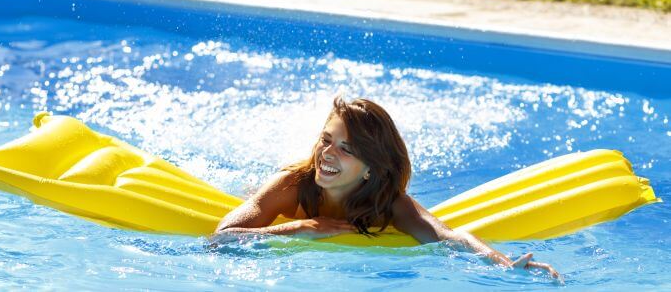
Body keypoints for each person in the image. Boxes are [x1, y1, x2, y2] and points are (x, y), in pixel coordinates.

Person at [215, 96, 561, 280]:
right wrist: (301, 228)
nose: (327, 153)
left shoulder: (389, 204)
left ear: (371, 169)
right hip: (270, 202)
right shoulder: (292, 185)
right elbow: (222, 237)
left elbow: (447, 237)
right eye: (326, 140)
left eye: (346, 149)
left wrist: (502, 264)